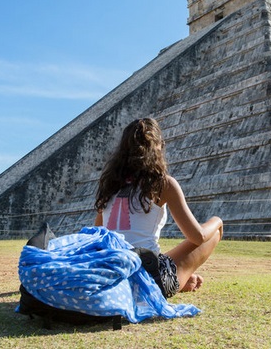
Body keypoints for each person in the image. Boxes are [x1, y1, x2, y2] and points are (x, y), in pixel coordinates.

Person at [94, 118, 223, 298]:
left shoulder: (109, 186)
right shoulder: (162, 184)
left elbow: (98, 235)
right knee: (212, 234)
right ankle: (177, 280)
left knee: (150, 255)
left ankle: (182, 279)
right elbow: (197, 236)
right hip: (149, 283)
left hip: (114, 277)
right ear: (159, 147)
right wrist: (217, 221)